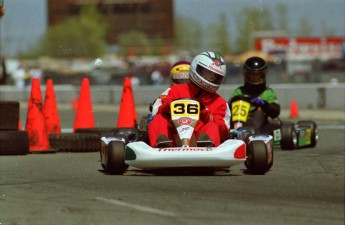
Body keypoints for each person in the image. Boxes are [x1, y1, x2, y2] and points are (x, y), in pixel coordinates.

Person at [148, 51, 230, 148]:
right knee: (159, 118)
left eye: (215, 76)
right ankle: (161, 145)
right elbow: (156, 111)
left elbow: (225, 131)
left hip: (200, 138)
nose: (211, 77)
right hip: (173, 137)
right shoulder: (175, 90)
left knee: (212, 126)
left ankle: (206, 145)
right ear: (196, 68)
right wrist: (168, 106)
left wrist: (208, 116)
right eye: (208, 73)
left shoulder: (220, 103)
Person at [228, 56, 280, 133]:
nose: (254, 78)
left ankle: (254, 131)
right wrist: (229, 104)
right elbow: (227, 108)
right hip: (238, 120)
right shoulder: (239, 91)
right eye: (251, 75)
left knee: (259, 111)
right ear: (246, 74)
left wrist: (264, 105)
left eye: (257, 75)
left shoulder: (267, 93)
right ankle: (236, 131)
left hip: (260, 124)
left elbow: (275, 111)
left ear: (263, 75)